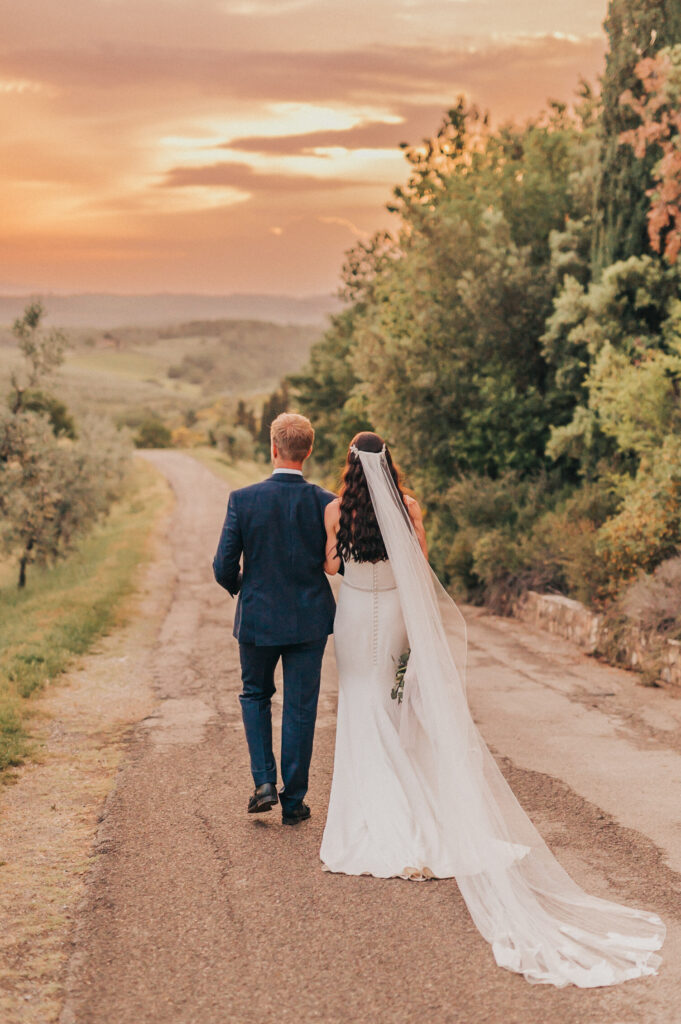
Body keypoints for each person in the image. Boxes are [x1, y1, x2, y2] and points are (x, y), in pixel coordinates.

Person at [320, 431, 665, 988]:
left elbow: (332, 567)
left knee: (362, 708)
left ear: (350, 466)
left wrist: (357, 569)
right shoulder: (408, 508)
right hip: (397, 617)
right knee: (390, 706)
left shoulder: (338, 509)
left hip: (356, 616)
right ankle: (412, 813)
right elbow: (421, 569)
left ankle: (374, 816)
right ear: (390, 463)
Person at [212, 412, 336, 825]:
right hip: (309, 620)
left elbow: (222, 566)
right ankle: (294, 800)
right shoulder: (326, 502)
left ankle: (264, 783)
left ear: (273, 448)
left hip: (258, 618)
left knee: (255, 695)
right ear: (309, 450)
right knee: (300, 708)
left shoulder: (243, 499)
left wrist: (245, 586)